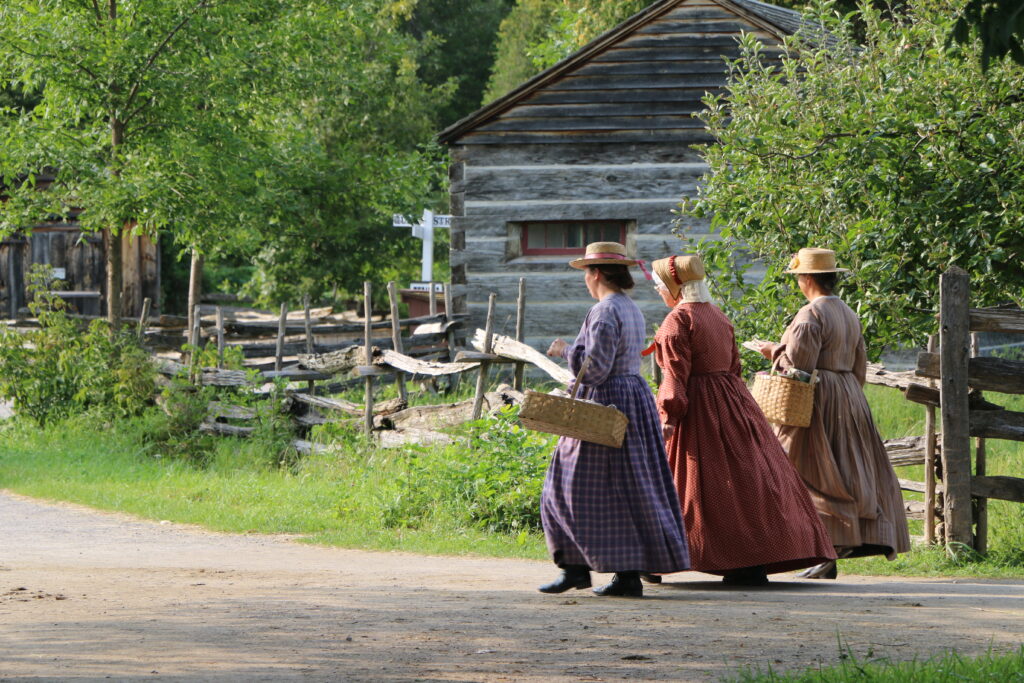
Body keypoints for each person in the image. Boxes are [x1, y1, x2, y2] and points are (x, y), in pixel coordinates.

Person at [649, 254, 835, 586]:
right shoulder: (718, 317)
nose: (659, 293)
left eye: (660, 286)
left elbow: (675, 377)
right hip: (734, 402)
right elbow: (734, 368)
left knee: (690, 483)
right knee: (746, 481)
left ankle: (656, 556)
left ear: (675, 287)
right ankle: (750, 559)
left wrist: (669, 415)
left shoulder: (677, 320)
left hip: (698, 408)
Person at [539, 241, 690, 598]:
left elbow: (595, 370)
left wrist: (566, 351)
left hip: (605, 403)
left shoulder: (605, 312)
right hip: (632, 400)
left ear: (596, 274)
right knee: (628, 487)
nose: (585, 281)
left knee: (563, 486)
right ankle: (622, 574)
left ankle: (577, 568)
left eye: (586, 274)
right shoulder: (630, 308)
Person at [756, 248, 911, 578]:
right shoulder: (848, 314)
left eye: (798, 278)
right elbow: (858, 366)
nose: (798, 283)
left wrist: (773, 352)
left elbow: (797, 369)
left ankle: (825, 548)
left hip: (817, 399)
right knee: (846, 468)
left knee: (810, 470)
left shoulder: (810, 315)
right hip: (849, 397)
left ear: (808, 279)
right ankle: (833, 548)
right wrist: (847, 392)